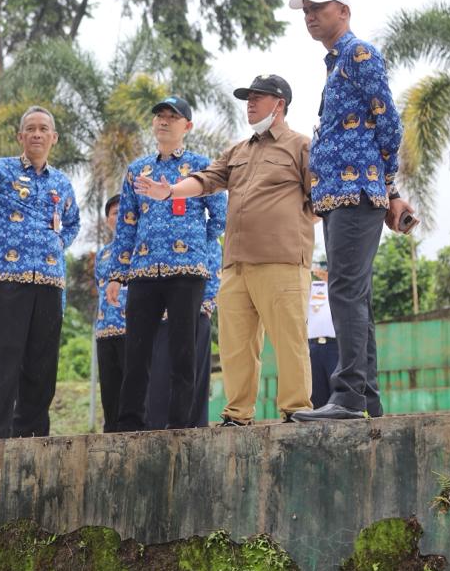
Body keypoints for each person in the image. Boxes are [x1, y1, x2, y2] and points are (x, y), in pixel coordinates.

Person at [134, 76, 315, 426]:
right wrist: (170, 191)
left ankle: (296, 409)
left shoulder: (301, 146)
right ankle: (237, 413)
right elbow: (205, 180)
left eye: (258, 98)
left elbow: (320, 198)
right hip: (235, 265)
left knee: (289, 340)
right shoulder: (239, 150)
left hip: (282, 260)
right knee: (235, 345)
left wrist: (295, 226)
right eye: (248, 97)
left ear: (279, 104)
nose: (250, 103)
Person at [286, 0, 411, 422]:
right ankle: (367, 399)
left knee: (343, 290)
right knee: (355, 294)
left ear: (343, 10)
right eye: (306, 11)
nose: (310, 16)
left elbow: (388, 121)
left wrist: (388, 187)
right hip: (340, 196)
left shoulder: (359, 54)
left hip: (357, 194)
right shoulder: (336, 63)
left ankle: (348, 396)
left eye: (318, 8)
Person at [106, 95, 227, 432]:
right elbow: (127, 224)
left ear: (186, 126)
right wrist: (117, 274)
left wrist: (194, 248)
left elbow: (219, 218)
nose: (163, 121)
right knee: (137, 351)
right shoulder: (137, 171)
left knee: (183, 352)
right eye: (159, 115)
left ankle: (181, 424)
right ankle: (130, 423)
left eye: (172, 117)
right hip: (143, 270)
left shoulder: (202, 168)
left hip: (187, 273)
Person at [0, 106, 81, 439]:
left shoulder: (61, 182)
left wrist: (58, 242)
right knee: (3, 359)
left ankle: (32, 434)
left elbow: (74, 221)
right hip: (8, 279)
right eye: (30, 129)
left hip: (49, 282)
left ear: (53, 138)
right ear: (20, 137)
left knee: (42, 363)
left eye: (43, 129)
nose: (36, 134)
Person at [145, 276, 218, 429]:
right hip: (158, 318)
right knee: (157, 387)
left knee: (192, 379)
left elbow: (213, 256)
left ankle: (193, 435)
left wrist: (207, 303)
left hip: (195, 311)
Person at [94, 195, 127, 432]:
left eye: (124, 211)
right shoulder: (102, 254)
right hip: (105, 329)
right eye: (115, 212)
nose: (120, 216)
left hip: (133, 328)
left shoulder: (140, 247)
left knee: (133, 389)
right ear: (108, 220)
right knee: (109, 391)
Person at [307, 260, 338, 409]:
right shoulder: (312, 288)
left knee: (336, 392)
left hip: (334, 346)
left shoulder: (340, 289)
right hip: (312, 346)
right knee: (316, 394)